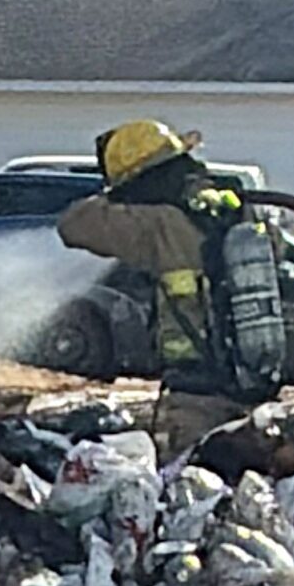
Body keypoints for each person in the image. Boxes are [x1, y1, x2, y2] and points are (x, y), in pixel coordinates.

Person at [56, 120, 271, 454]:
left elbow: (74, 224)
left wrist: (116, 194)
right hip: (254, 378)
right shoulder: (232, 210)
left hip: (197, 392)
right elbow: (279, 247)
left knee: (195, 483)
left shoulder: (159, 224)